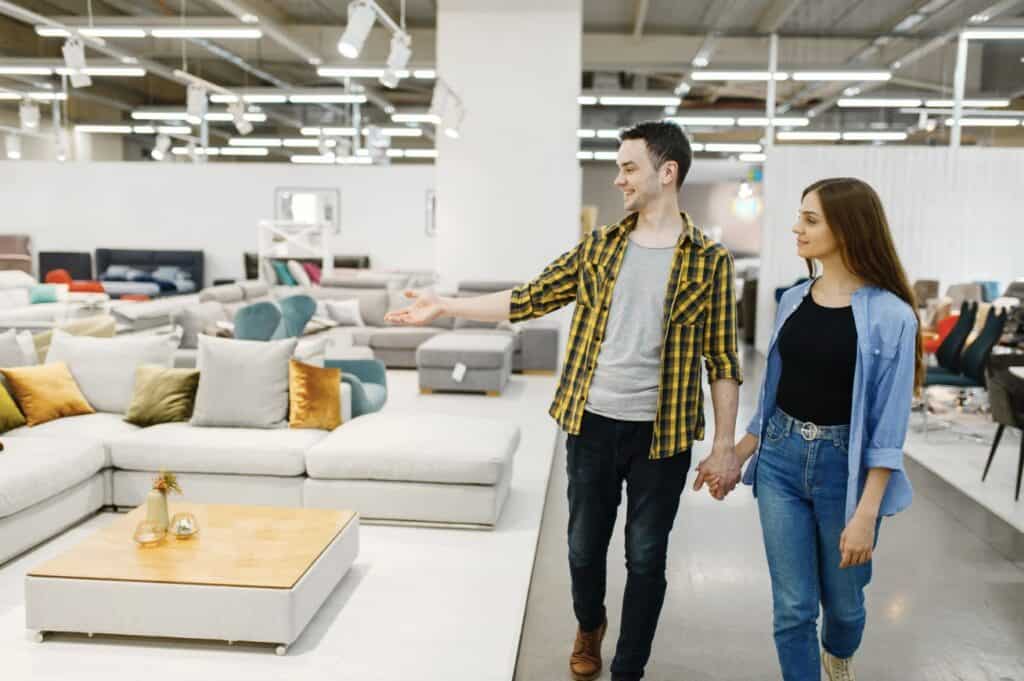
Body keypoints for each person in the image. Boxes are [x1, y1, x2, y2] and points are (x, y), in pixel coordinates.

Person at [385, 120, 743, 681]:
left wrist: (724, 446)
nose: (619, 178)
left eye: (629, 167)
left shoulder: (710, 261)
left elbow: (722, 359)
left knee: (646, 559)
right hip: (591, 425)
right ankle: (589, 623)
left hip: (663, 435)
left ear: (666, 171)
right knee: (581, 551)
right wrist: (446, 305)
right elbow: (529, 298)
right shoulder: (600, 247)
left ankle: (628, 668)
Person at [702, 177, 921, 681]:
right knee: (793, 608)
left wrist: (866, 514)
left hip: (844, 472)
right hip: (778, 462)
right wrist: (736, 453)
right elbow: (776, 393)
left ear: (847, 228)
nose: (796, 228)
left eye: (810, 219)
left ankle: (838, 655)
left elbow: (889, 434)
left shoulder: (892, 317)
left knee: (843, 608)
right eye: (801, 216)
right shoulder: (793, 300)